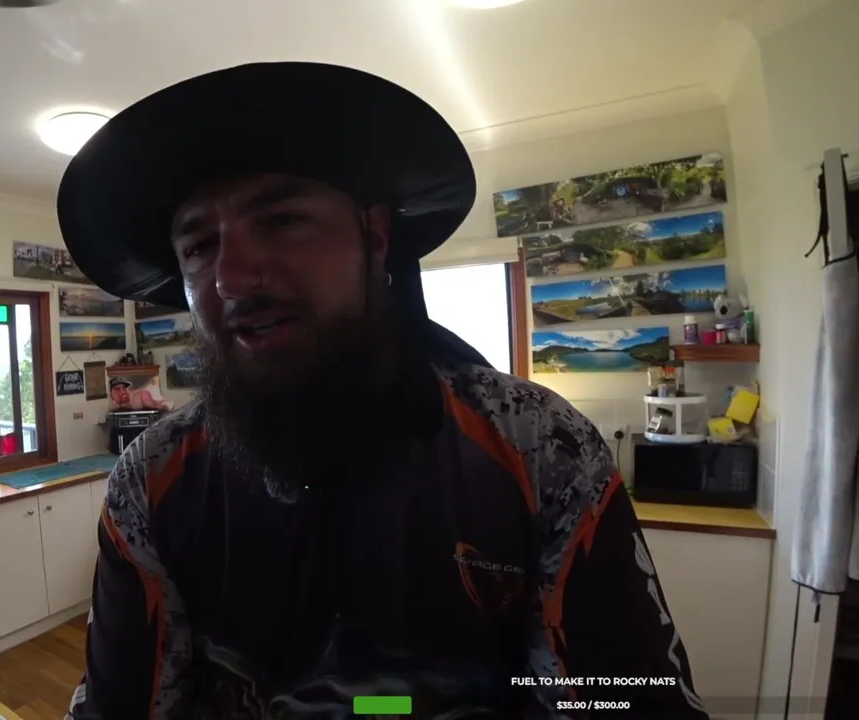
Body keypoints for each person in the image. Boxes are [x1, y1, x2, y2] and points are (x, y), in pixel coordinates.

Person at [56, 63, 709, 719]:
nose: (231, 277)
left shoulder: (540, 447)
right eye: (199, 246)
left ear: (374, 237)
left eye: (282, 220)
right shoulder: (152, 480)